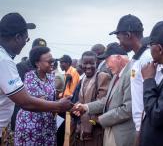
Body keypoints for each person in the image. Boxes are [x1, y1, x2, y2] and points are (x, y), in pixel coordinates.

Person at [0, 12, 72, 144]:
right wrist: (58, 105)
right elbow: (25, 102)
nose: (24, 44)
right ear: (17, 37)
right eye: (26, 39)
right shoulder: (4, 60)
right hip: (30, 127)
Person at [109, 14, 163, 145]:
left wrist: (140, 131)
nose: (119, 42)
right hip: (140, 128)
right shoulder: (137, 59)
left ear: (128, 35)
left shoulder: (148, 59)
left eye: (119, 38)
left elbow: (151, 96)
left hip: (147, 127)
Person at [72, 43, 135, 146]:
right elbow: (107, 100)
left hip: (121, 136)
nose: (106, 65)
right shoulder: (116, 75)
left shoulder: (132, 74)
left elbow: (128, 109)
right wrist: (85, 107)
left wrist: (100, 119)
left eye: (107, 60)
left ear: (118, 58)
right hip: (111, 132)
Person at [14, 46, 57, 145]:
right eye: (49, 61)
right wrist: (59, 105)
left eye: (53, 60)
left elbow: (51, 99)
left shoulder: (51, 77)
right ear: (37, 63)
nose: (52, 63)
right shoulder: (30, 77)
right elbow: (39, 102)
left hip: (48, 125)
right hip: (30, 125)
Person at [74, 51, 111, 146]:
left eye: (91, 63)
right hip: (81, 129)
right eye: (85, 63)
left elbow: (103, 102)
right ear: (81, 64)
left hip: (95, 129)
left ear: (97, 63)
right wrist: (75, 107)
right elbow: (82, 100)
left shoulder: (102, 76)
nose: (88, 66)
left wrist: (85, 109)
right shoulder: (83, 79)